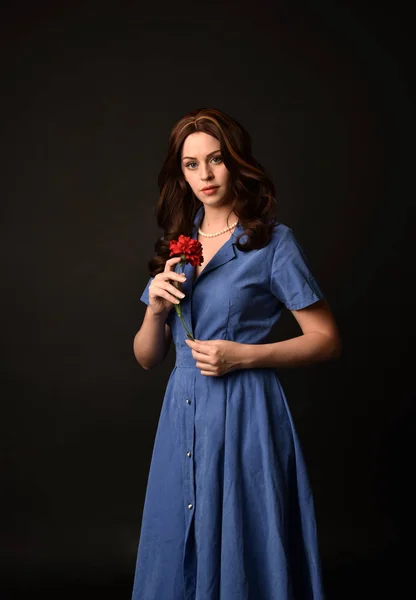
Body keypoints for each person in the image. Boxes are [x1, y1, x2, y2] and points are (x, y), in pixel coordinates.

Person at [131, 107, 342, 600]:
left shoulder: (272, 242)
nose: (204, 175)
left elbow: (327, 340)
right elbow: (145, 358)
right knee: (176, 538)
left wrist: (242, 356)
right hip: (182, 412)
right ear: (179, 174)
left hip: (247, 410)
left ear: (237, 163)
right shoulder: (176, 249)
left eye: (216, 160)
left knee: (245, 542)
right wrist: (155, 311)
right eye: (190, 164)